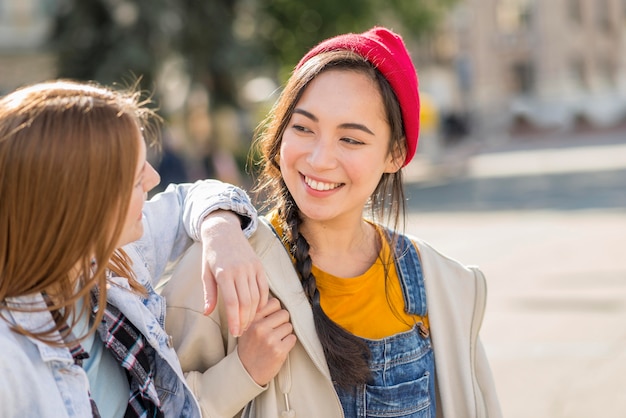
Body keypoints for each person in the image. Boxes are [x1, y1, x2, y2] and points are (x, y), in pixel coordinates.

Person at [164, 27, 502, 417]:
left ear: (395, 154)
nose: (320, 158)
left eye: (351, 140)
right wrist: (240, 374)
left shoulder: (442, 285)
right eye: (304, 128)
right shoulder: (220, 270)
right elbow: (158, 406)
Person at [0, 80, 268, 418]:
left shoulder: (109, 256)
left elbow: (191, 196)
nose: (154, 179)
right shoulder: (9, 364)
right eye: (134, 176)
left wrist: (221, 231)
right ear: (80, 200)